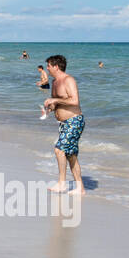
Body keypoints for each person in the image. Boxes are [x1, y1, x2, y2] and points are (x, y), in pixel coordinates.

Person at [40, 55, 85, 194]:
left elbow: (74, 101)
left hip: (74, 120)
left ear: (56, 66)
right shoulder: (54, 83)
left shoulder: (68, 80)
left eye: (48, 66)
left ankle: (62, 184)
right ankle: (80, 188)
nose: (47, 68)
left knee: (59, 149)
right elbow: (57, 103)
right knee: (71, 155)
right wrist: (49, 108)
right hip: (63, 123)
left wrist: (54, 99)